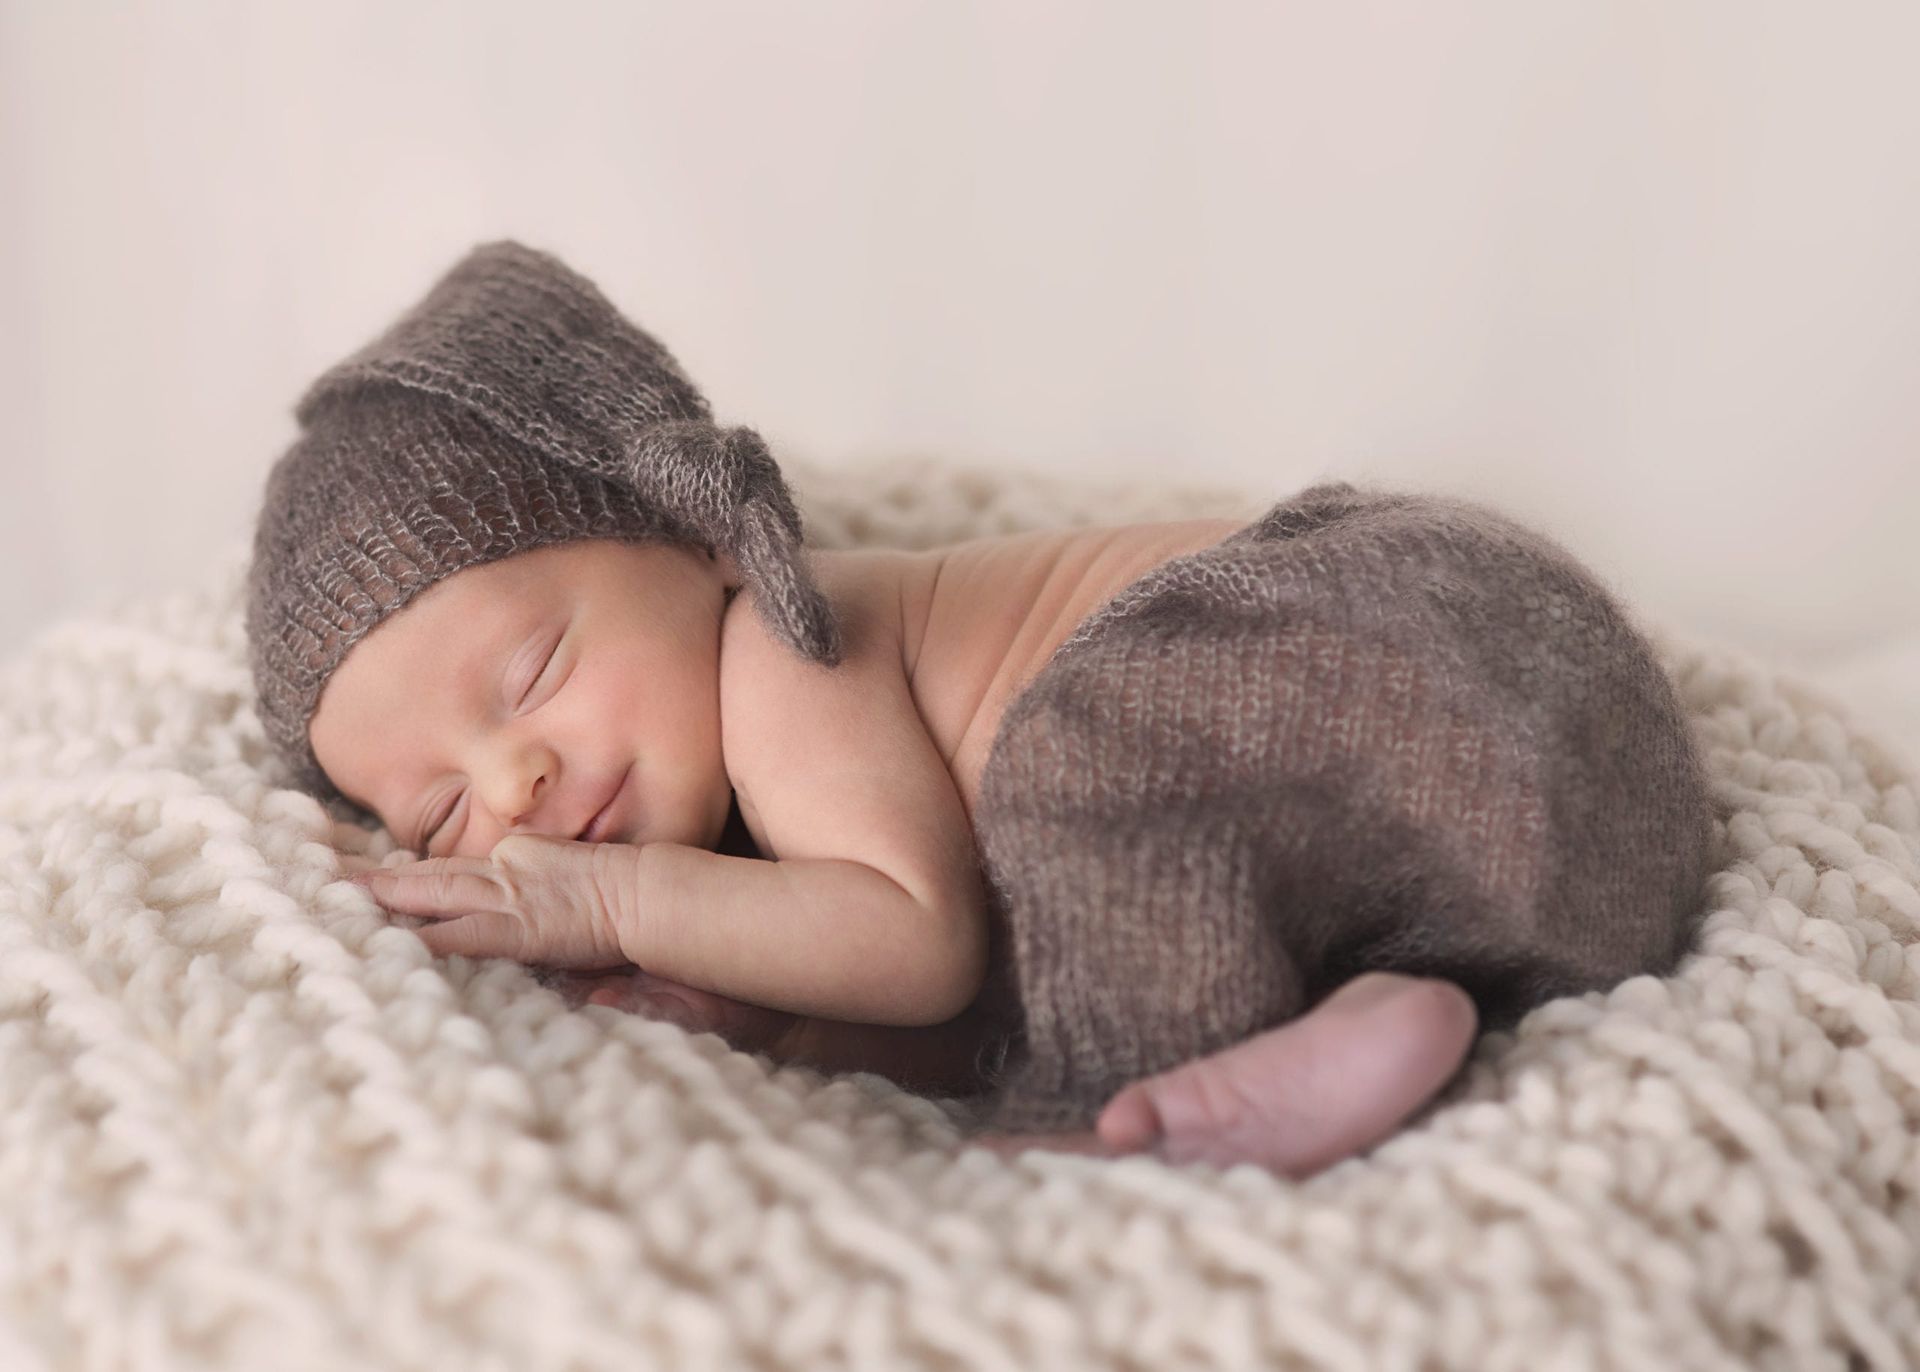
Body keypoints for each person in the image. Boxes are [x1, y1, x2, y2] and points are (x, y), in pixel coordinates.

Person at [315, 531, 1482, 1176]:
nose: (511, 786)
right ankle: (1366, 1012)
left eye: (531, 675)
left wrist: (617, 899)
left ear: (703, 537)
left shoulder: (781, 637)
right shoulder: (774, 829)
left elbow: (917, 943)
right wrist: (787, 1027)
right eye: (439, 814)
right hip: (1471, 795)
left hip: (1394, 646)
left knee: (1081, 753)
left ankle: (1181, 1091)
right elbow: (971, 995)